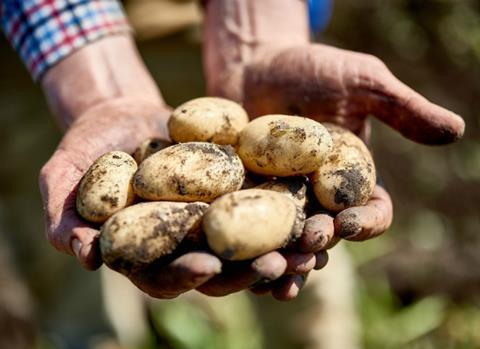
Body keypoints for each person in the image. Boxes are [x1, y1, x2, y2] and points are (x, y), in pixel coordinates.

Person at [0, 0, 464, 301]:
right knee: (69, 281)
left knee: (307, 281)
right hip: (46, 49)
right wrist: (100, 93)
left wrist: (258, 35)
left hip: (209, 22)